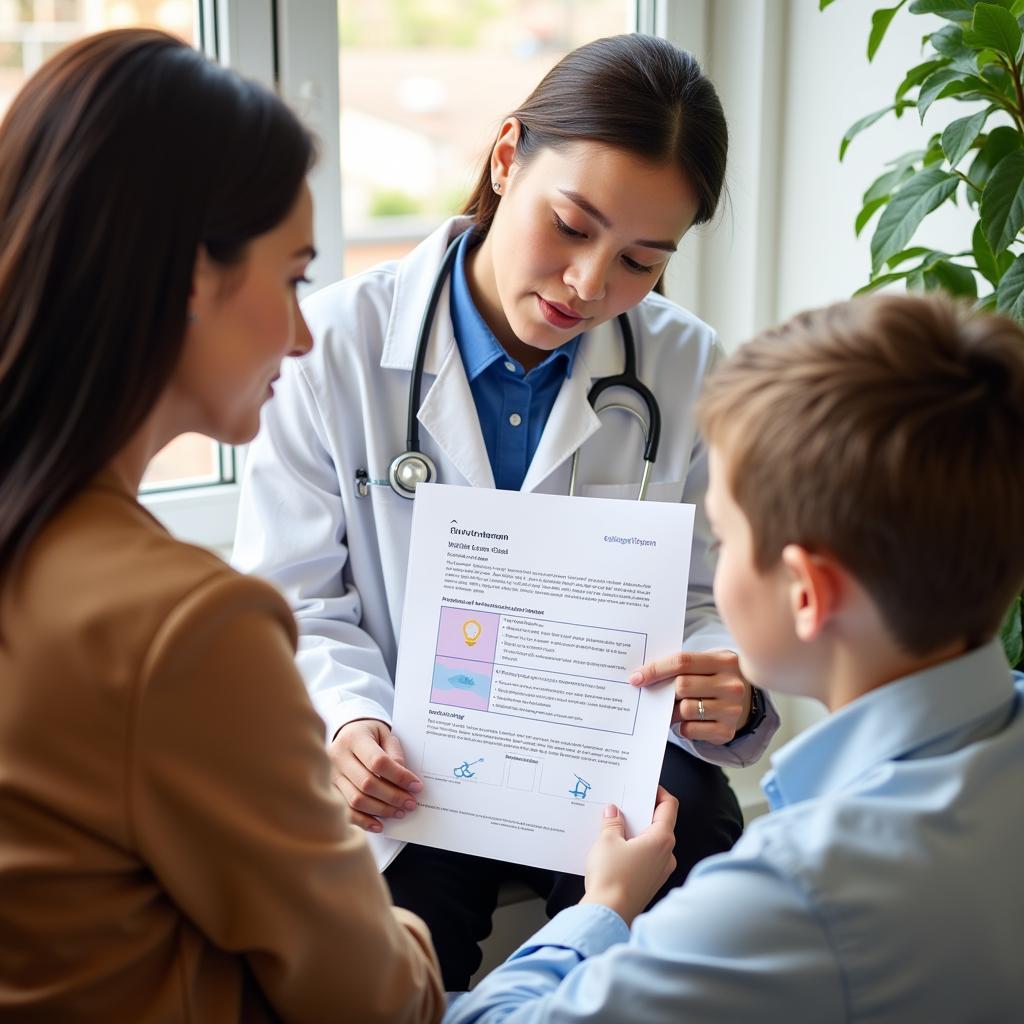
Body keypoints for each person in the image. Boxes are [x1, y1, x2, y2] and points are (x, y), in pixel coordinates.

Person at [233, 32, 780, 991]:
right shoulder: (331, 348)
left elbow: (714, 593)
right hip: (410, 765)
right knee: (376, 966)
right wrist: (345, 726)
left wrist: (730, 683)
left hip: (602, 759)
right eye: (571, 226)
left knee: (697, 892)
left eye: (641, 263)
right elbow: (293, 600)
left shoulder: (689, 368)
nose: (589, 286)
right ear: (504, 156)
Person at [0, 29, 444, 1022]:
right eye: (291, 277)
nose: (300, 333)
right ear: (196, 276)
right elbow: (370, 998)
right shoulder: (182, 626)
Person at [442, 291, 1024, 1022]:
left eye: (723, 538)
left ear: (807, 593)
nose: (714, 569)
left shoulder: (788, 898)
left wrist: (605, 906)